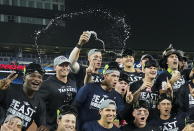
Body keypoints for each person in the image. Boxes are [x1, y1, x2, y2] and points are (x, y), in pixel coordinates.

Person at [73, 62, 126, 130]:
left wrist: (128, 102)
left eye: (118, 76)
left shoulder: (117, 96)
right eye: (113, 75)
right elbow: (75, 106)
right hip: (82, 128)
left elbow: (121, 117)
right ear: (106, 76)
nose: (116, 79)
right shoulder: (89, 88)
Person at [0, 63, 48, 131]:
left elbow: (42, 125)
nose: (37, 79)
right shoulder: (8, 89)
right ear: (24, 77)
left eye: (39, 77)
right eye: (33, 76)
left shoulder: (40, 103)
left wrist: (43, 128)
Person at [38, 56, 78, 130]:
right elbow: (39, 105)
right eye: (61, 65)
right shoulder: (47, 84)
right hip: (52, 126)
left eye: (66, 65)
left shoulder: (73, 82)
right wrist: (42, 123)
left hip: (68, 124)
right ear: (55, 67)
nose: (65, 68)